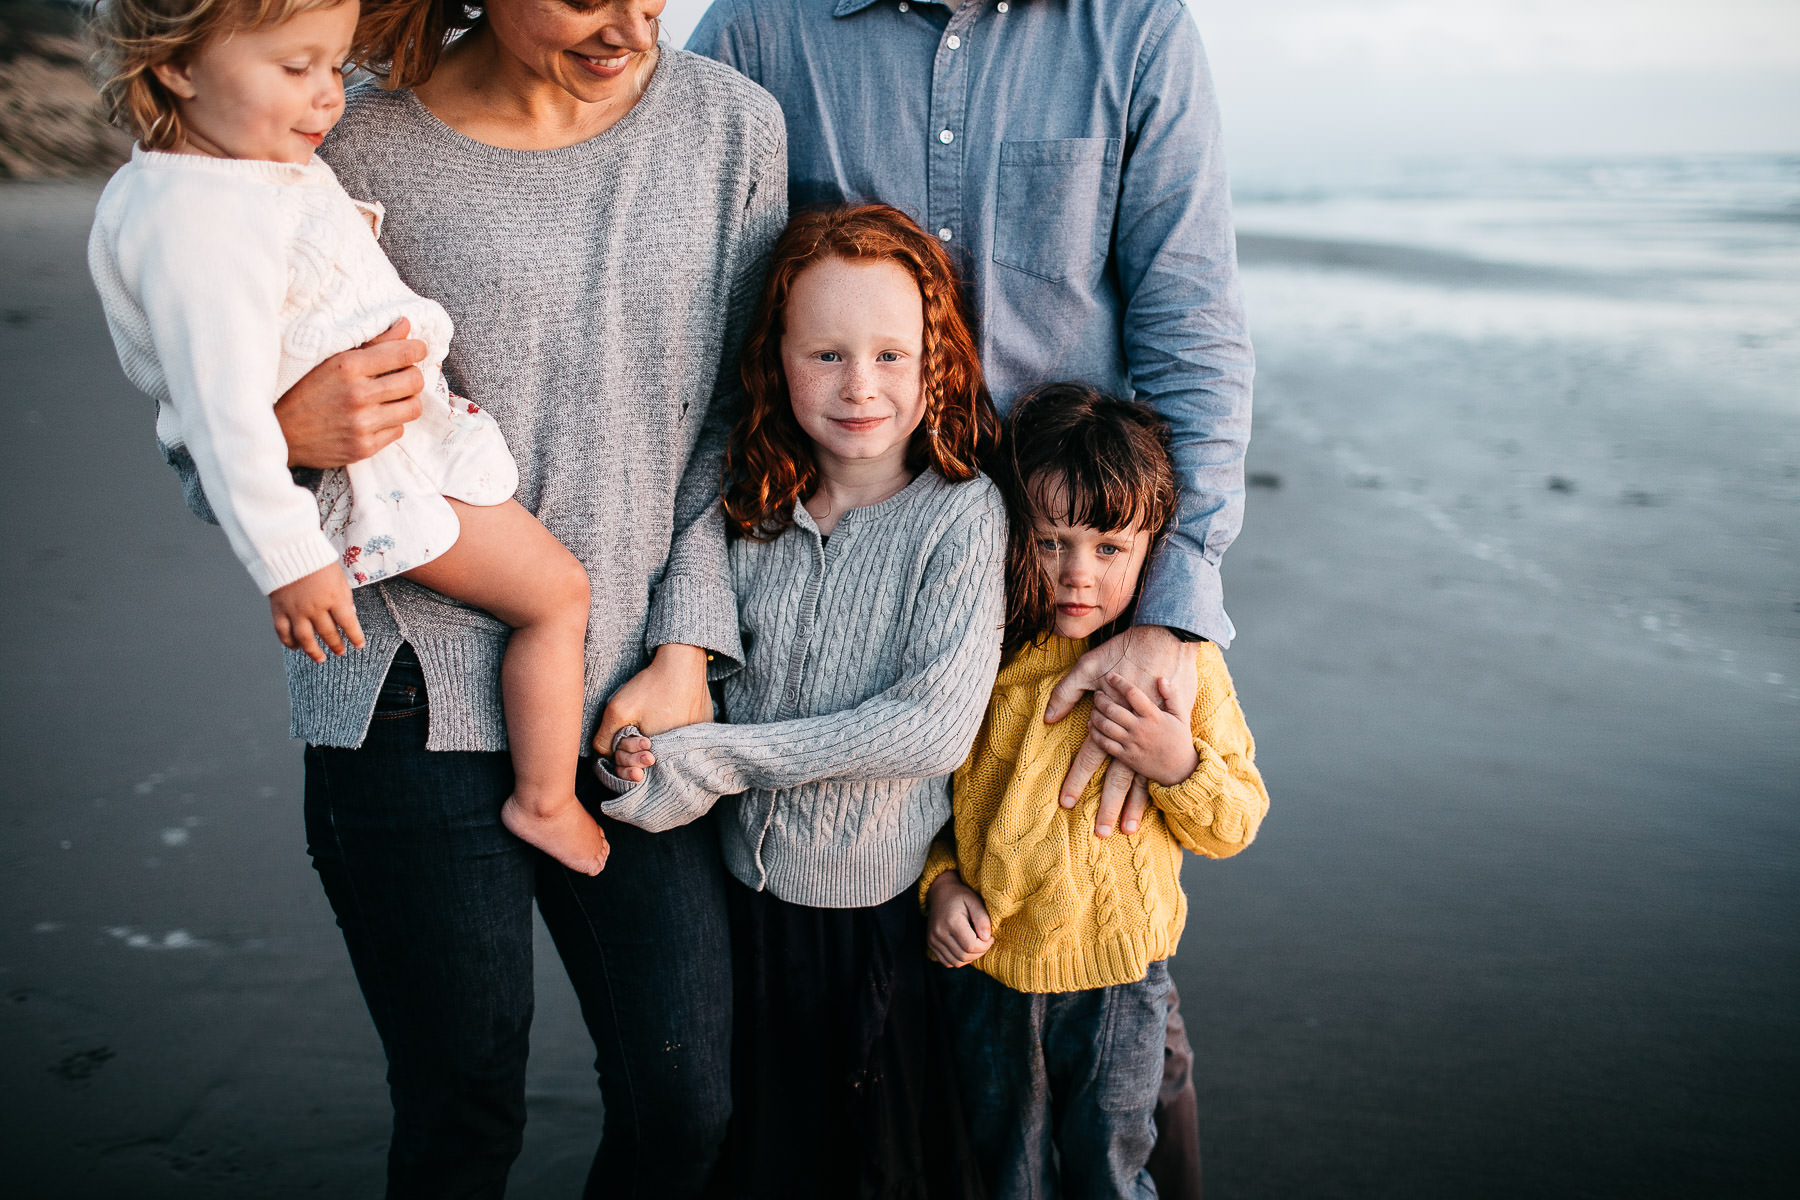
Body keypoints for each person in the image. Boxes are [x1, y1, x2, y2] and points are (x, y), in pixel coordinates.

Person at [106, 0, 788, 1193]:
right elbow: (205, 439)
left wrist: (688, 645)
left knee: (687, 1109)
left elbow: (741, 417)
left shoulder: (730, 129)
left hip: (636, 698)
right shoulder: (337, 140)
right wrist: (289, 433)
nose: (629, 26)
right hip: (403, 699)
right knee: (461, 1111)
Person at [686, 4, 1256, 1190]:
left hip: (1070, 574)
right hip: (862, 556)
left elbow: (1191, 323)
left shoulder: (1132, 30)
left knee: (1117, 998)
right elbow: (700, 305)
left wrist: (1164, 611)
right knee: (929, 980)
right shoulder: (760, 26)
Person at [89, 0, 610, 878]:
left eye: (334, 66)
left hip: (393, 438)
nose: (329, 96)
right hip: (375, 472)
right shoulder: (196, 222)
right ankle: (546, 799)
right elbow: (223, 421)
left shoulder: (227, 171)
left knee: (552, 589)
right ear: (175, 66)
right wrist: (290, 560)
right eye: (296, 69)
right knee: (556, 594)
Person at [597, 203, 1004, 1200]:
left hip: (870, 916)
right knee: (752, 1150)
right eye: (826, 355)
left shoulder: (961, 514)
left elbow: (933, 725)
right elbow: (705, 676)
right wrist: (650, 757)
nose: (859, 385)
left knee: (869, 1165)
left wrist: (718, 758)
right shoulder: (754, 500)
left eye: (891, 355)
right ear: (777, 362)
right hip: (737, 896)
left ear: (936, 362)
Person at [923, 383, 1270, 1199]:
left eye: (1110, 548)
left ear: (1154, 543)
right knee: (1006, 1175)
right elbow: (935, 802)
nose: (1077, 574)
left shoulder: (1182, 668)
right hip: (990, 971)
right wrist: (938, 885)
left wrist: (1177, 763)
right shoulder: (986, 654)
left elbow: (1236, 821)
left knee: (1110, 1172)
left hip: (1119, 978)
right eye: (1051, 541)